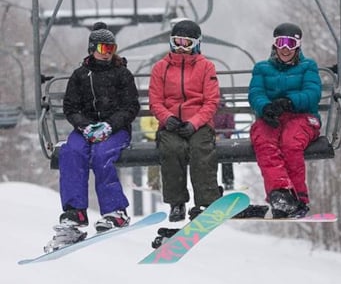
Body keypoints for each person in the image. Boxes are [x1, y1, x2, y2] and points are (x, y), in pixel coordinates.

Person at [57, 22, 140, 234]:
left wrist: (110, 125)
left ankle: (115, 211)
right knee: (71, 152)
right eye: (103, 49)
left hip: (115, 130)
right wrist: (85, 126)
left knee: (102, 155)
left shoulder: (122, 74)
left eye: (111, 49)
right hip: (85, 130)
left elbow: (130, 107)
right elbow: (71, 107)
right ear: (92, 49)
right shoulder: (80, 76)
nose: (108, 54)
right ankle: (76, 210)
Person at [148, 19, 221, 222]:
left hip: (198, 124)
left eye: (186, 43)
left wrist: (195, 122)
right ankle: (176, 202)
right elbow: (155, 100)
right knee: (172, 150)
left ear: (196, 44)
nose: (181, 47)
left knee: (201, 150)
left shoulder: (206, 67)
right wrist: (167, 118)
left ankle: (205, 200)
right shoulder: (160, 68)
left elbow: (211, 100)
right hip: (171, 124)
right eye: (177, 42)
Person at [249, 22, 321, 219]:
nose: (286, 49)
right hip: (273, 118)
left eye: (291, 43)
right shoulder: (262, 69)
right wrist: (266, 108)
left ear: (298, 45)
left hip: (303, 117)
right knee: (263, 141)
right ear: (275, 44)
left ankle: (299, 197)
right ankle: (280, 195)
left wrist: (289, 102)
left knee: (290, 143)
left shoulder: (308, 66)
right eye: (281, 43)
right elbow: (256, 93)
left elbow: (312, 93)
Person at [214, 99, 235, 190]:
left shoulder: (226, 111)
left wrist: (224, 134)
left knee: (226, 152)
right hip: (211, 135)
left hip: (222, 135)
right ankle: (227, 180)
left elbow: (230, 126)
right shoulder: (209, 109)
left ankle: (228, 181)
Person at [140, 116, 161, 190]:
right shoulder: (149, 111)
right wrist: (156, 136)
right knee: (153, 158)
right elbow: (145, 126)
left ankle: (170, 181)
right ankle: (153, 181)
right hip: (153, 137)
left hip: (164, 136)